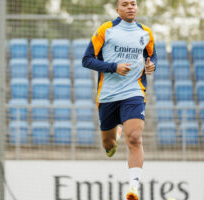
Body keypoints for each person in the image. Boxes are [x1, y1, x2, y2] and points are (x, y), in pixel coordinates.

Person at [82, 0, 157, 199]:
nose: (131, 7)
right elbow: (87, 60)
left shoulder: (146, 33)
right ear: (117, 10)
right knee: (108, 144)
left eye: (133, 3)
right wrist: (113, 67)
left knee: (134, 138)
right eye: (125, 4)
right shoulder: (106, 30)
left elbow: (152, 57)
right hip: (108, 95)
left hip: (134, 92)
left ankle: (133, 187)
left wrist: (152, 66)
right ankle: (115, 135)